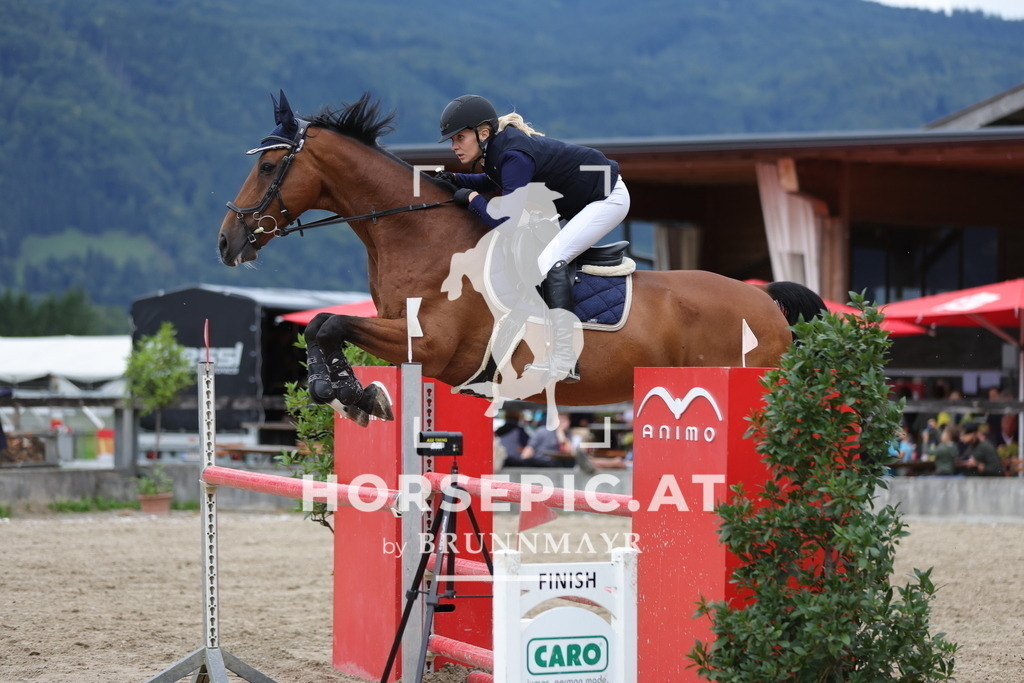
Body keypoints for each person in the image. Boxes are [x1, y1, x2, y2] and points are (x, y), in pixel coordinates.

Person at [436, 94, 631, 382]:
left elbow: (507, 222)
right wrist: (454, 180)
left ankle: (564, 359)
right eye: (453, 140)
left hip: (607, 197)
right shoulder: (498, 151)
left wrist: (473, 198)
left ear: (483, 133)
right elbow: (492, 181)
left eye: (460, 138)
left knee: (550, 261)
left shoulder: (512, 155)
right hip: (587, 199)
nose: (454, 146)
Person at [502, 412, 572, 468]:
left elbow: (569, 452)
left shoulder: (568, 434)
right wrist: (522, 463)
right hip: (540, 461)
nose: (561, 423)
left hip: (556, 464)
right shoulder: (543, 431)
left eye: (564, 420)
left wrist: (560, 433)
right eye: (559, 420)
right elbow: (529, 449)